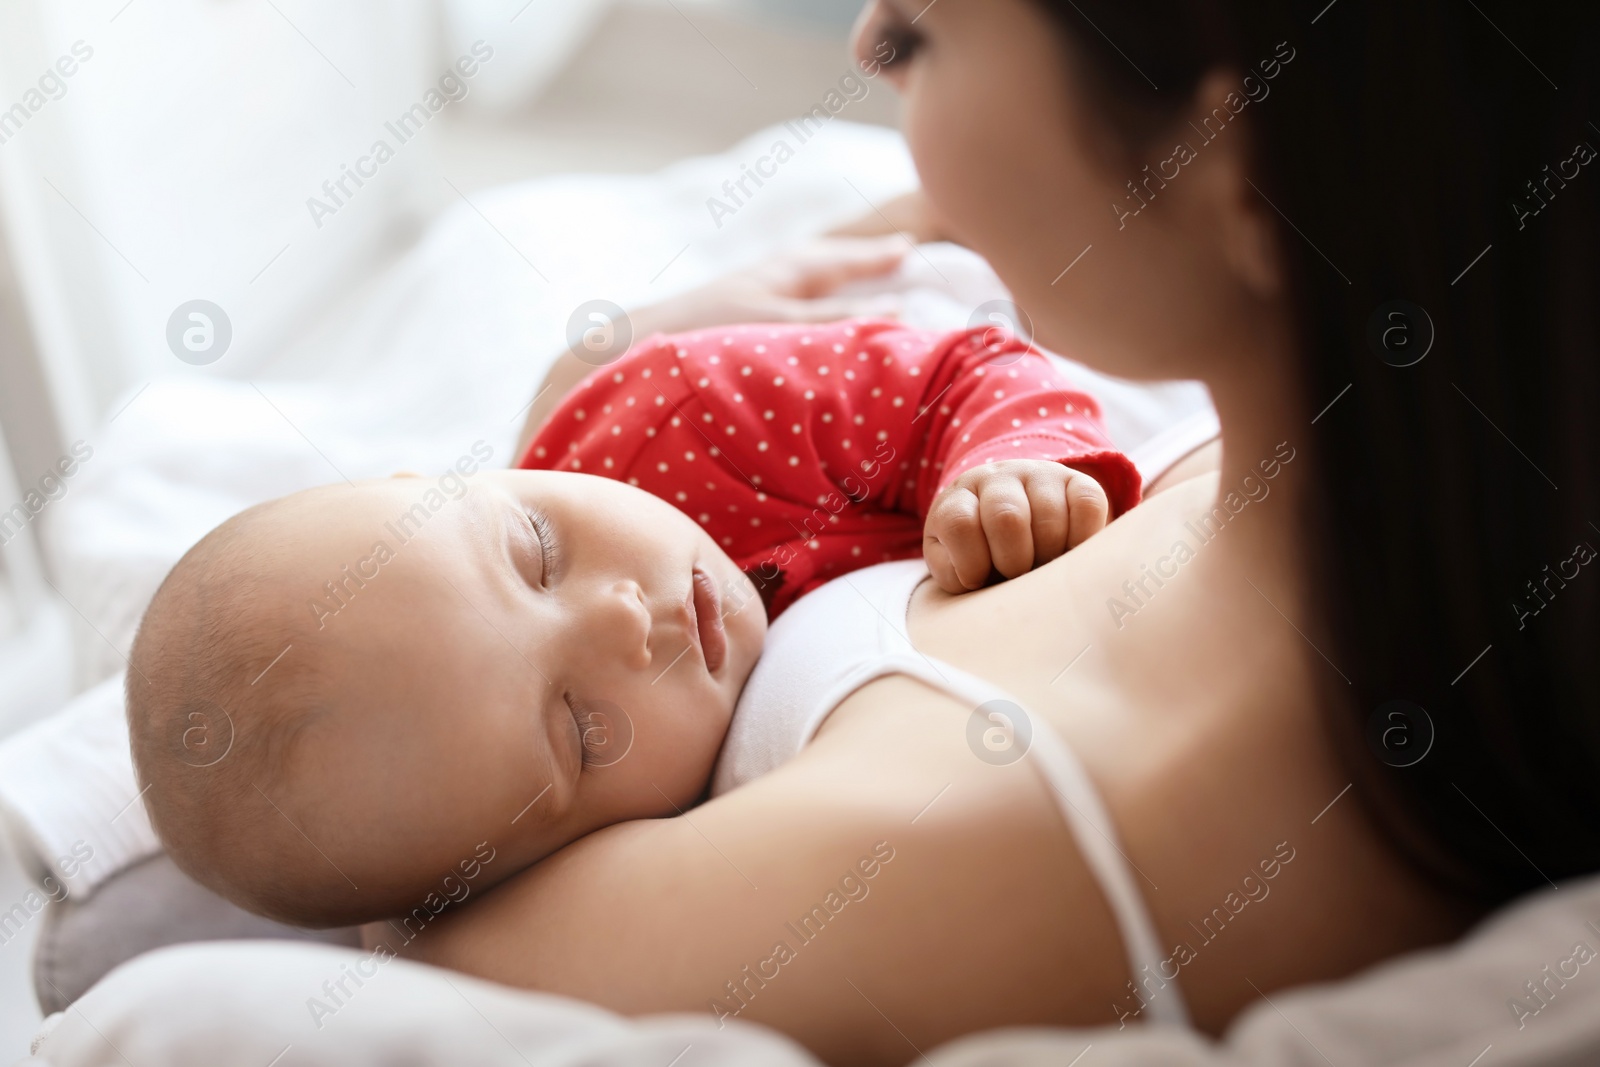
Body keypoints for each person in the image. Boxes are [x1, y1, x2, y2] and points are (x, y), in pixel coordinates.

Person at [370, 2, 1600, 1065]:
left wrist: (563, 424)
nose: (866, 44)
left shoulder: (953, 854)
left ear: (1241, 172)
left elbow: (387, 881)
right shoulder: (1434, 467)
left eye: (921, 32)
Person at [123, 307, 1139, 928]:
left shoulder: (672, 414)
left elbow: (955, 371)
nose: (622, 619)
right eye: (574, 724)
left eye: (539, 553)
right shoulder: (639, 866)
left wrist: (1006, 470)